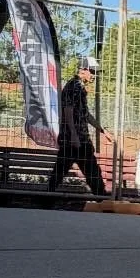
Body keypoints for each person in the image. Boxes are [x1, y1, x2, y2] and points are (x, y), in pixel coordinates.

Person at [49, 57, 108, 198]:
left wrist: (103, 130)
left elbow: (85, 114)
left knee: (63, 172)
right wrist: (74, 135)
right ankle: (103, 200)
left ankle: (46, 199)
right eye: (92, 71)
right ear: (83, 70)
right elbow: (68, 110)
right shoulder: (74, 86)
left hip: (77, 139)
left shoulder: (79, 87)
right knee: (92, 172)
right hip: (74, 140)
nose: (94, 75)